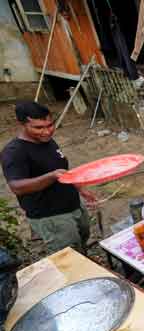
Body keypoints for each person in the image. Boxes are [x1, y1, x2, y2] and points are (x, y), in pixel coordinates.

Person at [1, 102, 93, 254]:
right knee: (69, 256)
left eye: (50, 125)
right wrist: (51, 176)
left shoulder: (47, 140)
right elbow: (16, 186)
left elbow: (63, 170)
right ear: (22, 124)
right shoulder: (14, 152)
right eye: (38, 128)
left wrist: (80, 188)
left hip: (73, 205)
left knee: (82, 240)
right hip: (51, 217)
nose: (47, 131)